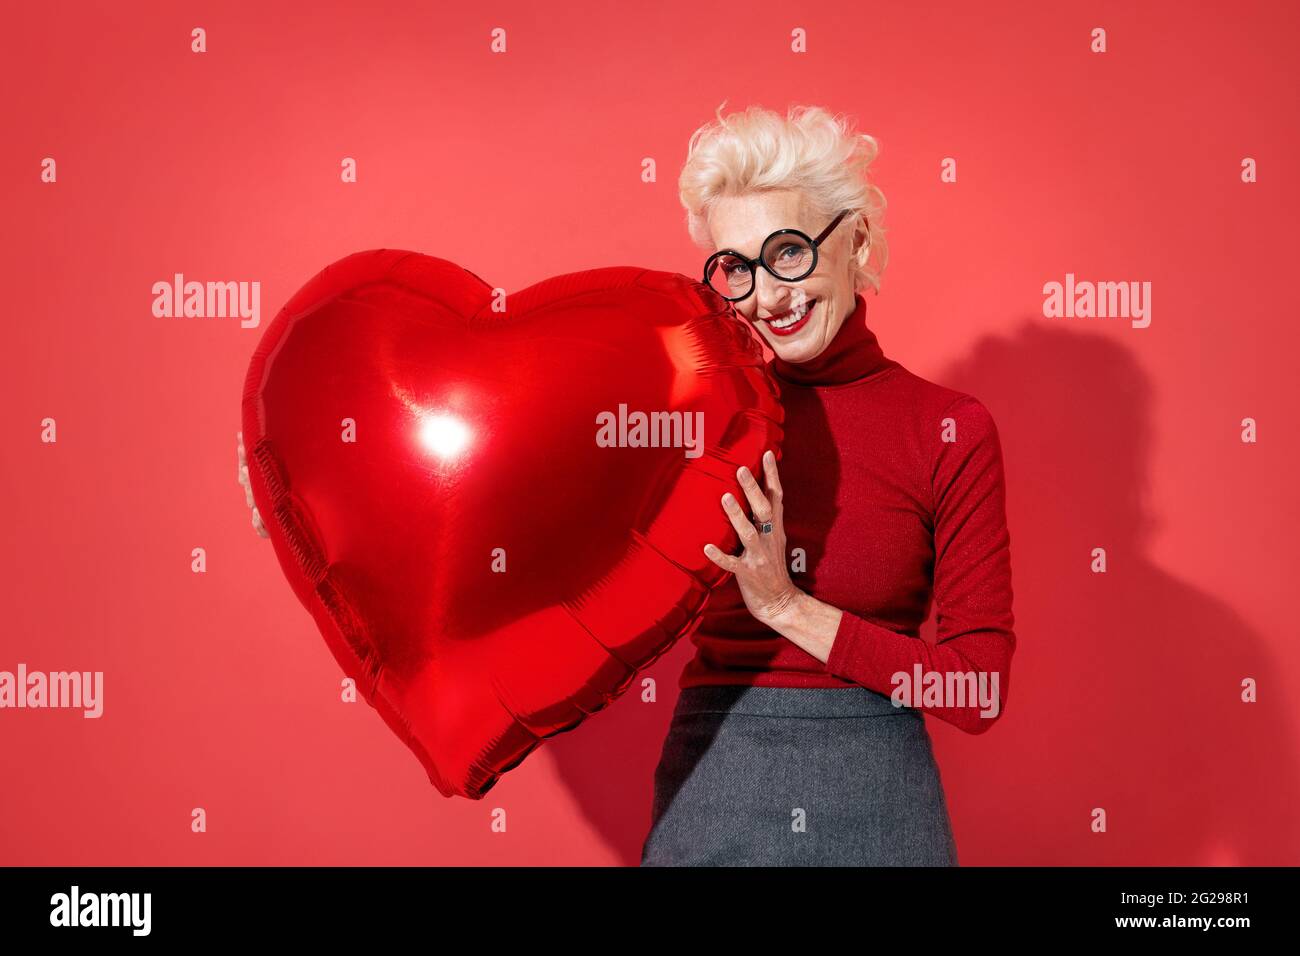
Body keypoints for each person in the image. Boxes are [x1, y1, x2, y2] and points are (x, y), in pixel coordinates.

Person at [639, 104, 1016, 866]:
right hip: (714, 791)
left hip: (877, 802)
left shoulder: (948, 428)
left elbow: (976, 693)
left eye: (788, 251)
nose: (766, 296)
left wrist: (786, 607)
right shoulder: (700, 420)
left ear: (857, 242)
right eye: (736, 268)